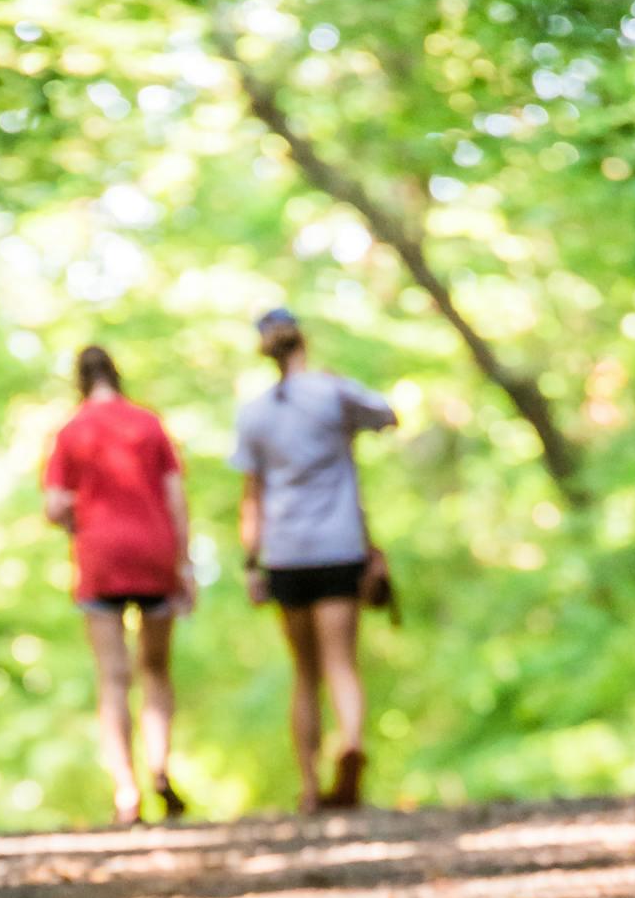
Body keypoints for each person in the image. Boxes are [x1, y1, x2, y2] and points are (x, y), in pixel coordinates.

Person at [231, 308, 397, 814]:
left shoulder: (255, 412)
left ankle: (309, 784)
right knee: (341, 662)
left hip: (285, 554)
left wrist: (251, 564)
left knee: (305, 671)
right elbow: (387, 414)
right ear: (303, 340)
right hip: (339, 546)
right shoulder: (332, 394)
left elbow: (252, 498)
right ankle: (350, 742)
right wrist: (339, 386)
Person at [44, 344, 195, 827]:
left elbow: (53, 506)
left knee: (113, 678)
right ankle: (160, 769)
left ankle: (126, 791)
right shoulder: (149, 424)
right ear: (116, 374)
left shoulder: (70, 432)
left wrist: (74, 514)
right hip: (154, 554)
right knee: (157, 671)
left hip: (101, 559)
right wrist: (185, 564)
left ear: (80, 381)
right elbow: (176, 498)